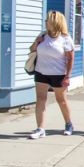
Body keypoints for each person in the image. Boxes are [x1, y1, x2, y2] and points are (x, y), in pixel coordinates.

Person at [27, 11, 74, 139]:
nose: (45, 22)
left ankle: (69, 124)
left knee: (61, 100)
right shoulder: (43, 35)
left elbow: (70, 59)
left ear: (54, 22)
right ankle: (40, 128)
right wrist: (37, 42)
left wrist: (67, 76)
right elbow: (31, 50)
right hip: (41, 72)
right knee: (40, 100)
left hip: (58, 74)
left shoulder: (65, 38)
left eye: (47, 20)